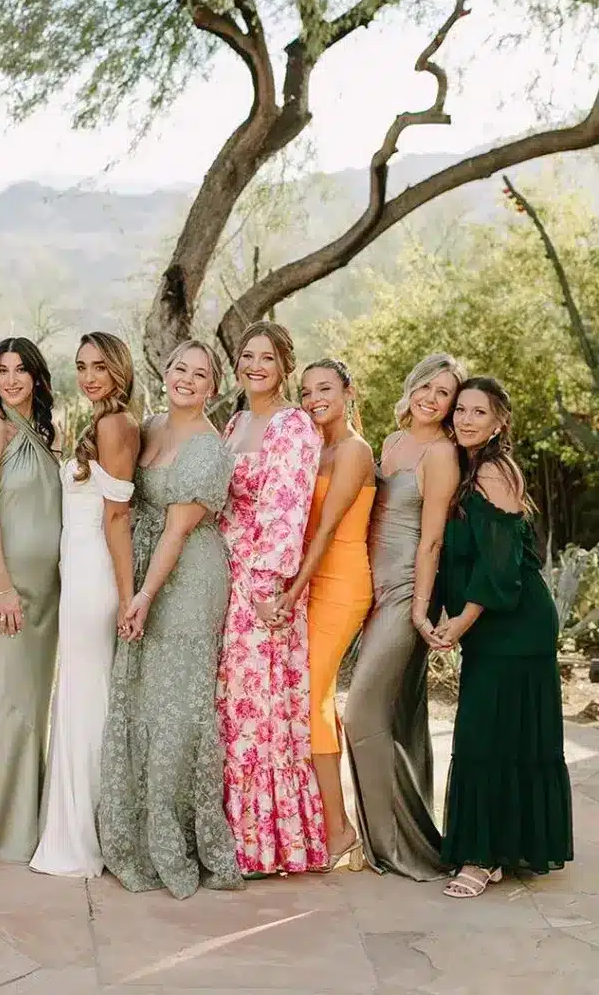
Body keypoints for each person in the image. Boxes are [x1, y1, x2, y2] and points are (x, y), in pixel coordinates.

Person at [98, 340, 243, 900]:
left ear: (213, 386)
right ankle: (133, 826)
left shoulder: (209, 447)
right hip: (143, 568)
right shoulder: (151, 425)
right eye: (179, 368)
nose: (186, 378)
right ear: (166, 372)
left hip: (186, 578)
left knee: (179, 703)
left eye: (199, 373)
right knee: (141, 694)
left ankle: (176, 835)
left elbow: (179, 530)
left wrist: (143, 596)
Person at [431, 378, 572, 897]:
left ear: (499, 422)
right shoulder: (467, 468)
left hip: (515, 623)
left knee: (487, 733)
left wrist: (459, 623)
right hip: (492, 622)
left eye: (478, 412)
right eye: (460, 410)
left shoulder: (493, 470)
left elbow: (499, 565)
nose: (466, 419)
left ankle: (483, 856)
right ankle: (498, 848)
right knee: (493, 731)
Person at [343, 352, 465, 881]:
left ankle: (403, 847)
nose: (431, 398)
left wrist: (418, 607)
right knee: (391, 715)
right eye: (426, 386)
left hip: (404, 593)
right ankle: (380, 841)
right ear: (412, 386)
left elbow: (432, 538)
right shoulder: (391, 444)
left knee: (360, 711)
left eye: (444, 393)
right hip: (366, 590)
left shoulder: (440, 454)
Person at [217, 322, 327, 877]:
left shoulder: (293, 426)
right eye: (246, 355)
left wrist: (268, 588)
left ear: (285, 365)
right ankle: (230, 832)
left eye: (266, 357)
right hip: (225, 576)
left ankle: (265, 843)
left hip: (263, 585)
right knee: (231, 708)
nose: (254, 365)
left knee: (258, 708)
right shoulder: (236, 422)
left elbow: (287, 512)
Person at [31, 332, 139, 878]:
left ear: (120, 369)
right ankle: (80, 824)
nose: (90, 375)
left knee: (86, 695)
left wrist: (127, 597)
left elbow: (117, 517)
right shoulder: (100, 423)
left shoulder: (114, 425)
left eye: (100, 366)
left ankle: (88, 832)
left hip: (96, 572)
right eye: (81, 366)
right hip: (76, 570)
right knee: (77, 693)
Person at [271, 358, 375, 871]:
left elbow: (329, 529)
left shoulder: (355, 451)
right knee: (315, 700)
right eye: (307, 391)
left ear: (348, 391)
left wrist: (293, 592)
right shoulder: (313, 446)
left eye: (325, 389)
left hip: (340, 582)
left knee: (311, 697)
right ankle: (326, 823)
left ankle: (339, 830)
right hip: (310, 579)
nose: (314, 399)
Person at [0, 338, 62, 863]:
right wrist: (2, 584)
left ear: (37, 376)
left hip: (46, 591)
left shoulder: (45, 433)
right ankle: (7, 833)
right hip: (6, 588)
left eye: (21, 369)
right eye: (1, 371)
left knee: (33, 703)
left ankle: (30, 820)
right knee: (12, 703)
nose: (11, 380)